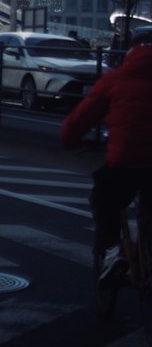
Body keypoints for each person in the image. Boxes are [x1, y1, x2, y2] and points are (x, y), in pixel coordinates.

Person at [60, 25, 152, 283]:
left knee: (105, 201)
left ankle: (113, 251)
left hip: (125, 161)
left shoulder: (116, 79)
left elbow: (80, 119)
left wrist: (68, 139)